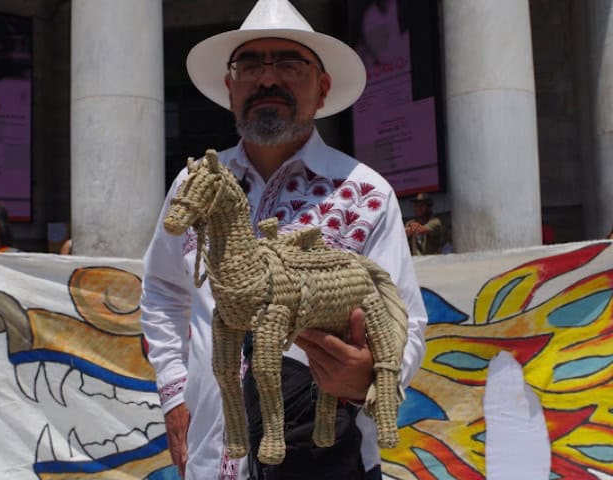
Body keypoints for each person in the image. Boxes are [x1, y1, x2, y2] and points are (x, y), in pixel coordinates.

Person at [140, 1, 427, 479]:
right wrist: (173, 392)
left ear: (322, 87)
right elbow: (163, 290)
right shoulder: (192, 187)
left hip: (327, 459)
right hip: (214, 455)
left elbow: (406, 320)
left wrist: (369, 377)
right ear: (231, 88)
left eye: (289, 64)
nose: (267, 80)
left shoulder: (366, 193)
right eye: (250, 65)